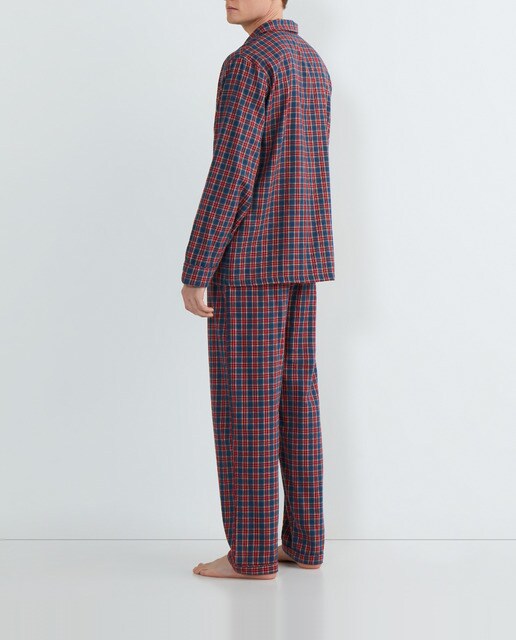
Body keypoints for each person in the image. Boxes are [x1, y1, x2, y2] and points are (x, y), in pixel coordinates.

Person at [181, 0, 335, 579]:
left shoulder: (249, 63)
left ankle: (250, 555)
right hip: (301, 257)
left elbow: (232, 172)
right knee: (297, 402)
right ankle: (305, 544)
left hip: (249, 264)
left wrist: (198, 265)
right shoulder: (311, 61)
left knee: (246, 408)